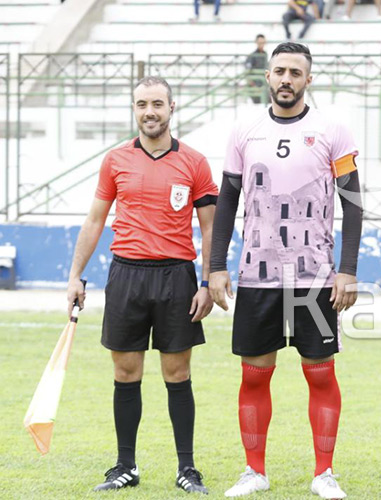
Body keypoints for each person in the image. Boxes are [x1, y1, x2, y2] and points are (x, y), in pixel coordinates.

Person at [208, 42, 363, 499]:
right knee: (254, 375)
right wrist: (216, 266)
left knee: (321, 374)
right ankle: (254, 471)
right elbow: (227, 200)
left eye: (295, 72)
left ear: (308, 79)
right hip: (258, 276)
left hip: (315, 277)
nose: (286, 79)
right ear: (268, 76)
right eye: (279, 71)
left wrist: (347, 270)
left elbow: (353, 204)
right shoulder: (245, 130)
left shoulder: (332, 129)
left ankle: (324, 473)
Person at [66, 76, 218, 494]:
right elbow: (95, 219)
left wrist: (207, 281)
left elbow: (210, 227)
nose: (149, 112)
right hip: (126, 275)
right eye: (141, 104)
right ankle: (125, 465)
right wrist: (75, 275)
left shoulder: (195, 162)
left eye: (157, 104)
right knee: (125, 371)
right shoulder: (115, 160)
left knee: (177, 372)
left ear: (172, 107)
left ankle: (187, 468)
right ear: (134, 109)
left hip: (177, 277)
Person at [245, 34, 268, 104]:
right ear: (256, 42)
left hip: (264, 86)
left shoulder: (265, 54)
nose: (261, 45)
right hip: (255, 88)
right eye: (260, 43)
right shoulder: (252, 56)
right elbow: (247, 73)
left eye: (263, 43)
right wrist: (254, 87)